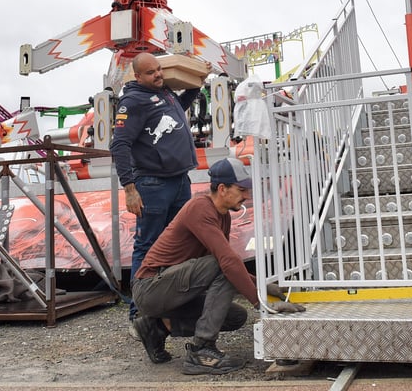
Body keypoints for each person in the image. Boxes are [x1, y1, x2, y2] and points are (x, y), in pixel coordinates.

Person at [130, 157, 306, 375]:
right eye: (241, 189)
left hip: (171, 288)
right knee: (223, 265)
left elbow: (229, 264)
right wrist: (261, 302)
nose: (247, 195)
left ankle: (156, 327)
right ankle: (201, 350)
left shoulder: (223, 217)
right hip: (150, 289)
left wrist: (264, 287)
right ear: (222, 189)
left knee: (235, 316)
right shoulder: (200, 208)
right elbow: (226, 262)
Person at [110, 52, 210, 330]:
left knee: (179, 242)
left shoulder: (163, 92)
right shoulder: (132, 102)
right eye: (151, 72)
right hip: (153, 184)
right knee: (148, 245)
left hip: (179, 181)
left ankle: (173, 306)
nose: (158, 74)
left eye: (158, 69)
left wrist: (198, 80)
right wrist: (130, 189)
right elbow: (119, 145)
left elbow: (180, 106)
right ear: (138, 76)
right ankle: (139, 315)